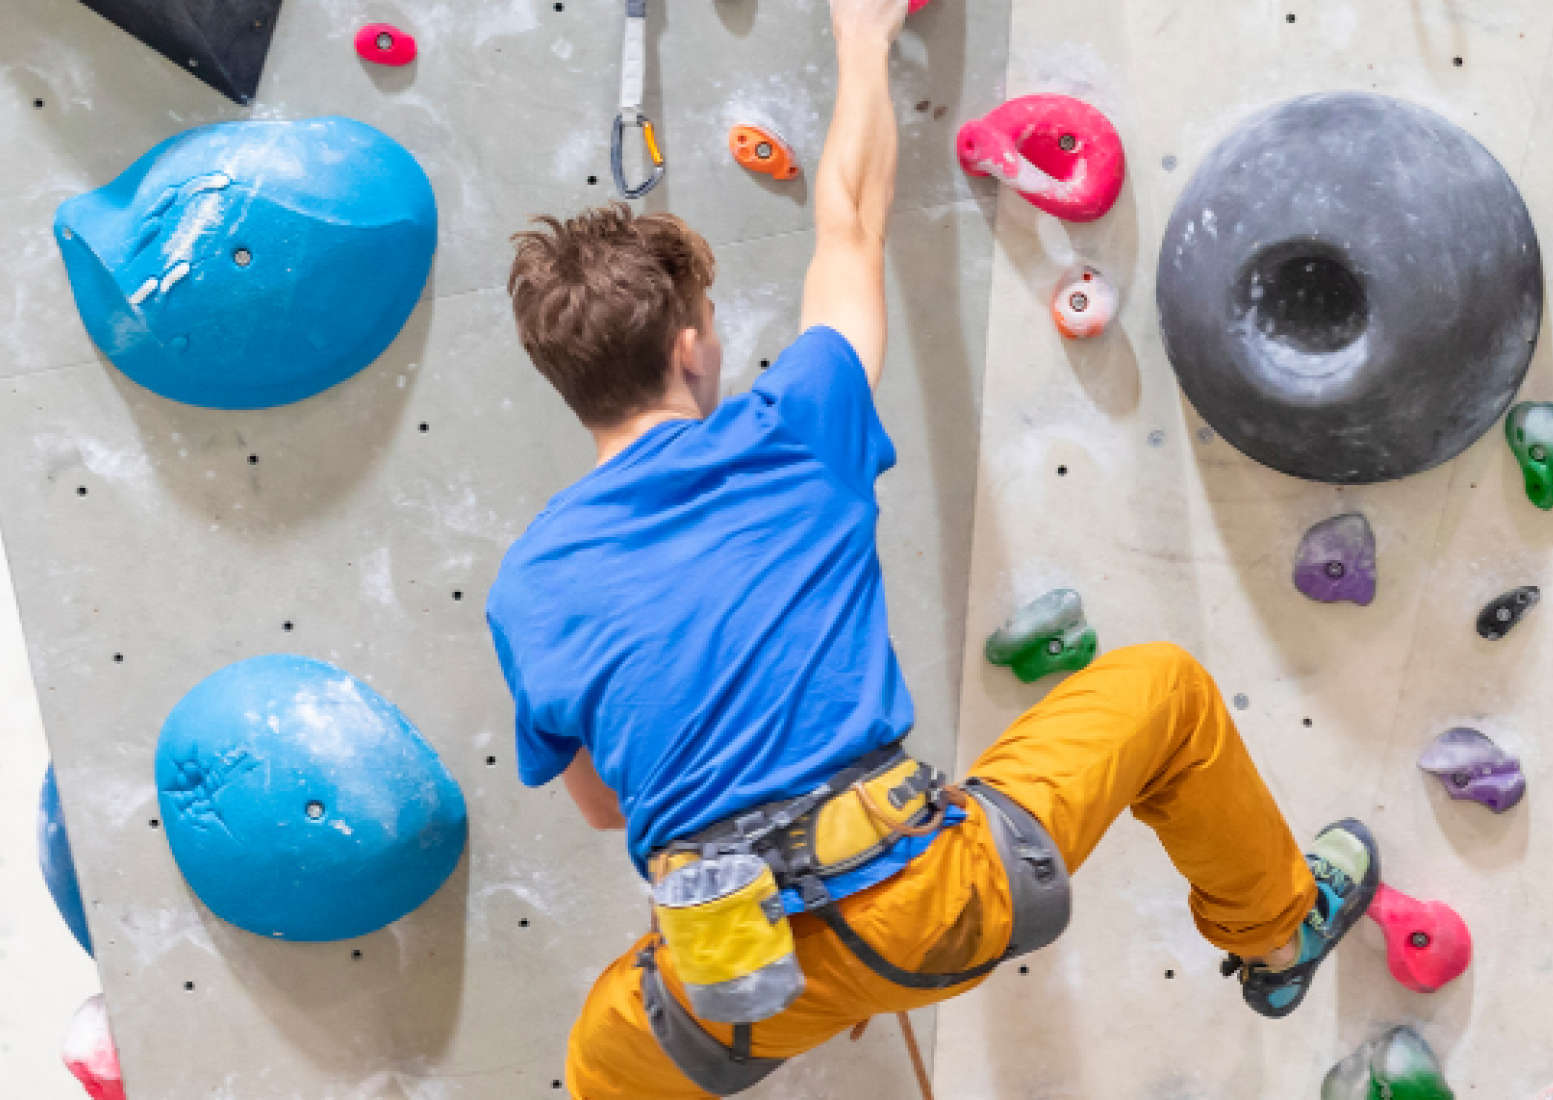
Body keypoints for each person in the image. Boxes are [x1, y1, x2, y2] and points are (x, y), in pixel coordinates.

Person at [487, 0, 1378, 1094]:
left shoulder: (527, 585)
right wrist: (860, 41)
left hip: (741, 977)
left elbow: (605, 805)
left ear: (559, 381)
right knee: (1167, 693)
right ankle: (1280, 933)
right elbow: (850, 220)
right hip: (938, 896)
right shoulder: (793, 423)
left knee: (600, 1062)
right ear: (693, 347)